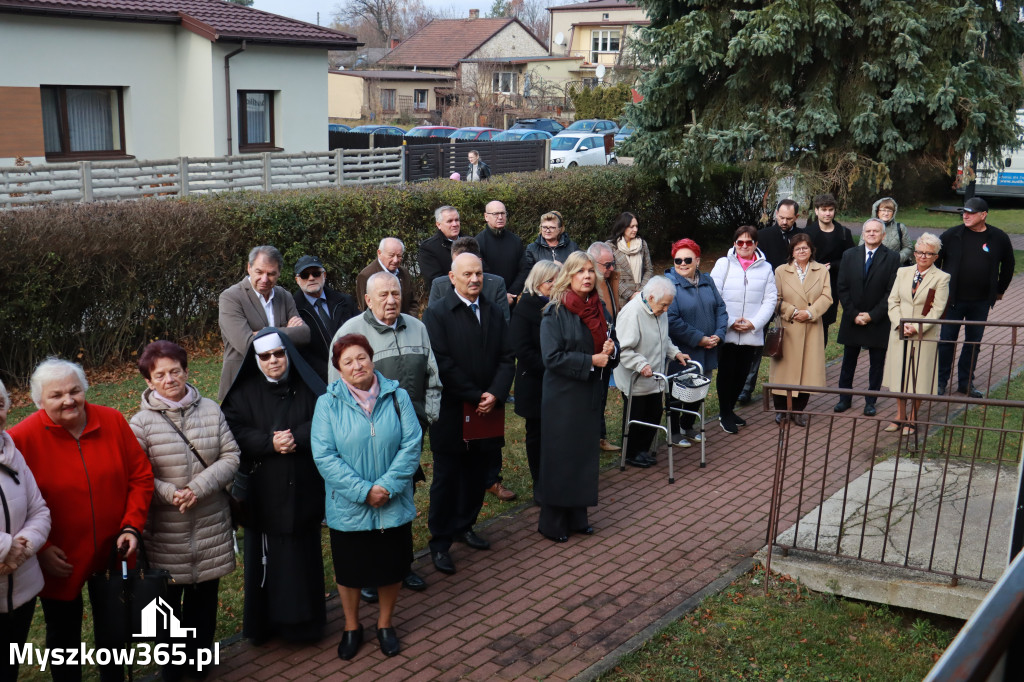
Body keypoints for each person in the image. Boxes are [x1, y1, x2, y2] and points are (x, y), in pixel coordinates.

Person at [8, 358, 153, 682]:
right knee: (63, 638)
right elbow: (13, 505)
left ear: (85, 389)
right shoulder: (21, 438)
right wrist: (41, 547)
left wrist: (132, 525)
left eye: (75, 391)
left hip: (113, 550)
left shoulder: (112, 421)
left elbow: (140, 476)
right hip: (60, 557)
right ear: (38, 401)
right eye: (56, 395)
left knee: (114, 632)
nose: (68, 400)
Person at [129, 341, 240, 682]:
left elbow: (231, 456)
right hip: (166, 532)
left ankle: (200, 662)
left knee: (203, 603)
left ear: (186, 371)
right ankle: (173, 668)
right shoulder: (140, 424)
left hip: (210, 525)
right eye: (159, 374)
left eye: (175, 371)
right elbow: (137, 473)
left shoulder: (210, 409)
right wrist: (171, 493)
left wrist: (197, 488)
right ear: (148, 381)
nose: (169, 379)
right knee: (166, 609)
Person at [312, 334, 422, 660]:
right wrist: (363, 491)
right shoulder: (327, 404)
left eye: (362, 357)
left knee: (392, 567)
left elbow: (412, 444)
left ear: (372, 358)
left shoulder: (397, 396)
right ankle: (351, 626)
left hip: (393, 500)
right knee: (350, 571)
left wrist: (386, 486)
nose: (357, 365)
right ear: (339, 370)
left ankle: (385, 624)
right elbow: (324, 456)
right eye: (348, 361)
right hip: (349, 506)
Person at [334, 270, 440, 600]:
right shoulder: (351, 333)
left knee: (401, 497)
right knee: (369, 501)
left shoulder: (418, 327)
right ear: (367, 300)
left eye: (395, 293)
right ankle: (368, 575)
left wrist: (429, 418)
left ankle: (401, 567)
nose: (391, 300)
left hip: (408, 436)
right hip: (364, 440)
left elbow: (433, 376)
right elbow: (335, 390)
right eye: (383, 295)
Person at [220, 329, 327, 644]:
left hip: (303, 485)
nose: (273, 361)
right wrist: (269, 442)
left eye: (279, 354)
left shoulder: (308, 386)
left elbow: (324, 417)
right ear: (256, 360)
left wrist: (296, 437)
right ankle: (264, 627)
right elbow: (232, 430)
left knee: (303, 558)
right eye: (265, 356)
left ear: (288, 355)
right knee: (265, 561)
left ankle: (305, 627)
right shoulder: (243, 394)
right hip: (263, 491)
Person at [422, 253, 515, 575]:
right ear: (452, 277)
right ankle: (440, 542)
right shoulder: (436, 314)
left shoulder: (492, 310)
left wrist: (496, 393)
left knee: (478, 474)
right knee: (446, 480)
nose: (474, 279)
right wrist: (477, 395)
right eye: (467, 274)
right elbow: (442, 363)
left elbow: (507, 356)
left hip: (486, 411)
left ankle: (465, 525)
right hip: (451, 413)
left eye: (478, 273)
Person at [538, 251, 617, 542]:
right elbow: (552, 357)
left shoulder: (599, 308)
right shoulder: (554, 312)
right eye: (579, 272)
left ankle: (577, 516)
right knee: (562, 458)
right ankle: (553, 522)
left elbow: (612, 340)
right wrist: (591, 361)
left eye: (589, 271)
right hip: (562, 397)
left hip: (590, 393)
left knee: (583, 456)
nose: (586, 276)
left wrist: (611, 350)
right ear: (567, 277)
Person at [936, 197, 1015, 397]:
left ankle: (965, 383)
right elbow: (935, 259)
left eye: (971, 213)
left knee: (973, 344)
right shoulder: (952, 235)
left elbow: (1008, 265)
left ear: (983, 215)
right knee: (946, 342)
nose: (966, 215)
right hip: (953, 301)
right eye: (964, 212)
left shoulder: (998, 237)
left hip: (980, 302)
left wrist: (1000, 290)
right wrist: (936, 286)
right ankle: (940, 382)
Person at [0, 378, 51, 682]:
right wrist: (6, 547)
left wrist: (23, 548)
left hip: (21, 589)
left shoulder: (12, 453)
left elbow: (39, 510)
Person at [613, 276, 689, 467]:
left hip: (656, 375)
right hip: (636, 376)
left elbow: (664, 339)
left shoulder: (658, 310)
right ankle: (631, 453)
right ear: (652, 297)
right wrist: (641, 364)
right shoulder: (632, 313)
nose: (666, 310)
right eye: (664, 305)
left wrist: (676, 353)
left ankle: (643, 450)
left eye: (668, 306)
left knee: (654, 413)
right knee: (637, 416)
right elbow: (622, 348)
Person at [218, 245, 310, 399]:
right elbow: (246, 344)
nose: (265, 279)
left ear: (279, 273)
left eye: (271, 274)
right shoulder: (230, 297)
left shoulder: (284, 296)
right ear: (249, 268)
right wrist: (284, 330)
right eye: (259, 272)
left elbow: (304, 335)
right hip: (244, 383)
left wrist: (260, 333)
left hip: (281, 382)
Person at [710, 226, 778, 434]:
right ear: (734, 244)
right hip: (728, 330)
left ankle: (730, 410)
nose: (744, 246)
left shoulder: (766, 268)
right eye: (740, 242)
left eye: (749, 242)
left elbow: (770, 299)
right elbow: (714, 294)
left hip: (751, 332)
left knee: (742, 374)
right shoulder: (723, 264)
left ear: (756, 245)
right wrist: (729, 321)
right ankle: (724, 413)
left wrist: (754, 323)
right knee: (727, 372)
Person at [881, 233, 950, 436]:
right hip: (899, 332)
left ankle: (913, 418)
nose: (923, 256)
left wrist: (917, 327)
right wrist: (900, 324)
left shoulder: (942, 278)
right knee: (899, 375)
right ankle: (899, 415)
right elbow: (892, 301)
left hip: (923, 335)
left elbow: (937, 309)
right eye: (919, 252)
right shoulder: (903, 272)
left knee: (919, 377)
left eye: (928, 253)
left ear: (936, 256)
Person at [834, 219, 901, 416]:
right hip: (852, 318)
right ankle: (844, 398)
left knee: (876, 364)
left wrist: (872, 316)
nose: (871, 234)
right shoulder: (849, 255)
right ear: (863, 234)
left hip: (877, 320)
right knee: (848, 362)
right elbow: (842, 287)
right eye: (868, 231)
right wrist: (854, 314)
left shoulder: (893, 258)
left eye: (876, 231)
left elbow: (891, 292)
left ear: (883, 235)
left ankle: (871, 401)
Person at [665, 238, 727, 447]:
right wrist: (699, 339)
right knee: (677, 391)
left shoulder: (707, 281)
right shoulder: (669, 285)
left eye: (687, 259)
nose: (682, 264)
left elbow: (720, 308)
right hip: (683, 351)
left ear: (697, 261)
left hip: (709, 349)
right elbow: (671, 320)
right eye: (677, 260)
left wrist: (719, 334)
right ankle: (673, 432)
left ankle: (687, 426)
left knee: (699, 390)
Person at [739, 199, 802, 404]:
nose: (784, 221)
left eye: (789, 218)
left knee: (789, 345)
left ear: (796, 217)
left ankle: (788, 388)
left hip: (792, 300)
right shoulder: (763, 236)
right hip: (764, 298)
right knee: (756, 345)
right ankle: (746, 389)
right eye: (781, 217)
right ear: (775, 214)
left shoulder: (801, 238)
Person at [768, 234, 833, 426]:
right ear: (792, 251)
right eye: (797, 249)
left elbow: (827, 296)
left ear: (811, 249)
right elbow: (776, 298)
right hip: (788, 327)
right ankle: (781, 411)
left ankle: (798, 411)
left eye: (805, 248)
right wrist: (793, 311)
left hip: (811, 327)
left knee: (807, 372)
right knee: (783, 371)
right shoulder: (780, 271)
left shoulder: (821, 270)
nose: (802, 251)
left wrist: (810, 312)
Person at [509, 260, 562, 489]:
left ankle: (556, 476)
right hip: (535, 381)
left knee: (557, 433)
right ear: (540, 282)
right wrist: (551, 365)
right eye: (552, 281)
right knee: (537, 434)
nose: (557, 284)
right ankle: (539, 481)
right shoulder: (526, 307)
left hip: (558, 381)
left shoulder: (560, 305)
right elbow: (522, 349)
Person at [292, 255, 358, 383]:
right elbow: (301, 353)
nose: (311, 278)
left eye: (316, 273)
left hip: (354, 373)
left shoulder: (345, 302)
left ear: (324, 275)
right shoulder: (293, 310)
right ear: (297, 280)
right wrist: (331, 373)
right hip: (319, 381)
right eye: (305, 275)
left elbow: (360, 334)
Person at [803, 193, 855, 346]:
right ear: (817, 211)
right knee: (806, 320)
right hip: (809, 282)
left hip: (831, 283)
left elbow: (850, 259)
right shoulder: (807, 233)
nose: (827, 213)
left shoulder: (844, 233)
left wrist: (832, 265)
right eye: (824, 209)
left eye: (830, 210)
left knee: (823, 323)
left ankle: (819, 362)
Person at [428, 236, 511, 324]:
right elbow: (433, 323)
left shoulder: (496, 285)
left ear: (479, 261)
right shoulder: (440, 286)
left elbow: (504, 323)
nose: (474, 279)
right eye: (455, 264)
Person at [588, 241, 622, 452]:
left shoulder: (611, 278)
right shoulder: (592, 284)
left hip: (607, 347)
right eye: (606, 265)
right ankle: (593, 438)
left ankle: (600, 437)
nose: (611, 268)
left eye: (612, 264)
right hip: (592, 356)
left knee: (602, 397)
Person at [511, 211, 579, 293]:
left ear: (560, 229)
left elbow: (579, 272)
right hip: (541, 294)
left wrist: (563, 269)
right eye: (544, 227)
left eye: (552, 227)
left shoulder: (572, 247)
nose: (547, 230)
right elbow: (528, 275)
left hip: (567, 292)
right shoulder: (532, 249)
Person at [356, 237, 419, 316]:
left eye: (399, 256)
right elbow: (366, 310)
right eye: (391, 255)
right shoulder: (366, 275)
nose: (395, 260)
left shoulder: (404, 272)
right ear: (379, 253)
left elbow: (413, 302)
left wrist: (408, 322)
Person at [476, 200, 523, 304]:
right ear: (486, 217)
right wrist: (500, 295)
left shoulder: (515, 241)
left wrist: (511, 293)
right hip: (488, 299)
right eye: (495, 214)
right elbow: (482, 272)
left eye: (503, 213)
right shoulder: (478, 242)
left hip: (512, 299)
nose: (500, 217)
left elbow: (523, 270)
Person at [606, 211, 654, 312]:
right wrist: (629, 295)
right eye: (631, 226)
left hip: (641, 297)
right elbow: (610, 274)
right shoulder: (610, 246)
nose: (635, 229)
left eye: (636, 226)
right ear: (623, 226)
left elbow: (648, 269)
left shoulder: (642, 244)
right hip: (620, 299)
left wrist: (641, 292)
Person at [418, 206, 466, 284]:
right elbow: (435, 279)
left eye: (457, 220)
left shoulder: (470, 242)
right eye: (449, 221)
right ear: (439, 225)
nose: (455, 224)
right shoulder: (428, 248)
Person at [872, 197, 913, 265]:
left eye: (889, 211)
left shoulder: (900, 227)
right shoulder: (869, 227)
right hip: (873, 267)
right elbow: (861, 248)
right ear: (877, 212)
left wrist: (896, 259)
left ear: (893, 213)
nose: (886, 213)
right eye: (883, 210)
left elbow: (908, 247)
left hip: (895, 268)